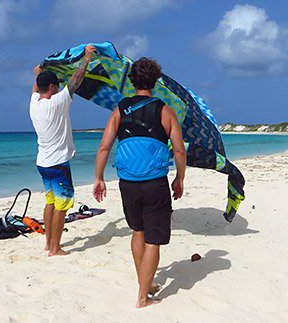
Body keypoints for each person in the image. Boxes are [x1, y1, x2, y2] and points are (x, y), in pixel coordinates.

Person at [93, 57, 186, 308]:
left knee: (138, 231)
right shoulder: (165, 111)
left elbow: (104, 148)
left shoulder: (119, 110)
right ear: (155, 82)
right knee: (154, 239)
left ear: (132, 81)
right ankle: (143, 297)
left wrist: (99, 178)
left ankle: (144, 283)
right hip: (155, 183)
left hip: (128, 183)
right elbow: (179, 150)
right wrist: (180, 178)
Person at [30, 44, 97, 257]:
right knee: (62, 206)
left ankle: (48, 243)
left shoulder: (34, 103)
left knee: (50, 201)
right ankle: (56, 248)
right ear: (51, 87)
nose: (59, 88)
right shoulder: (56, 103)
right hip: (58, 164)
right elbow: (75, 82)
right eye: (56, 86)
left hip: (43, 163)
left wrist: (38, 73)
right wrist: (86, 59)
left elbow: (35, 88)